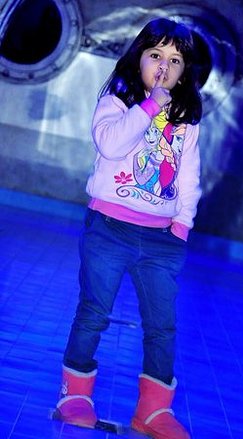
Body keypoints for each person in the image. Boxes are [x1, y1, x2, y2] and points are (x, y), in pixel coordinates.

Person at [56, 18, 206, 439]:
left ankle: (154, 410)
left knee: (162, 326)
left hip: (161, 240)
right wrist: (150, 105)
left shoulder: (186, 119)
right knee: (94, 312)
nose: (163, 66)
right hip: (109, 229)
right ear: (138, 58)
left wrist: (182, 225)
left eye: (174, 60)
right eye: (155, 55)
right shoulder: (117, 102)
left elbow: (189, 175)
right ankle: (74, 394)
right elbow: (111, 144)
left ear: (184, 72)